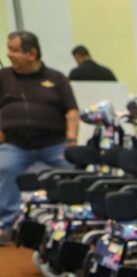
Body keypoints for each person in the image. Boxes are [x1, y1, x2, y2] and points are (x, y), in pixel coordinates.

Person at [0, 31, 78, 243]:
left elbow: (72, 111)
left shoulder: (56, 78)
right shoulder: (3, 77)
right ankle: (7, 225)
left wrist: (71, 141)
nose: (9, 54)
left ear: (31, 53)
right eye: (9, 49)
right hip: (16, 145)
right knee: (4, 167)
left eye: (14, 50)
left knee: (72, 169)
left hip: (53, 144)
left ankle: (74, 221)